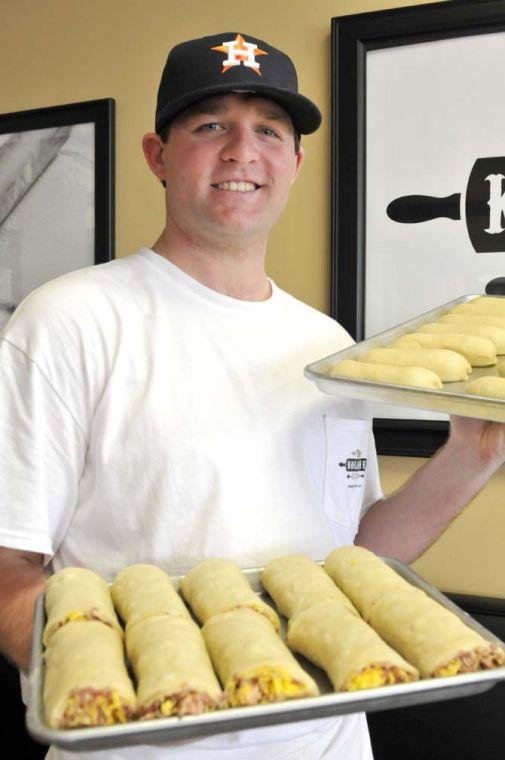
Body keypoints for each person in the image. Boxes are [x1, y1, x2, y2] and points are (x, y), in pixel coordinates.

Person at [0, 31, 504, 760]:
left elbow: (354, 553)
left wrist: (474, 453)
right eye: (210, 126)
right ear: (157, 155)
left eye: (268, 130)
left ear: (294, 163)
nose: (242, 151)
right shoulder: (70, 321)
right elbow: (9, 566)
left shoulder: (324, 343)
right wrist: (92, 681)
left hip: (328, 742)